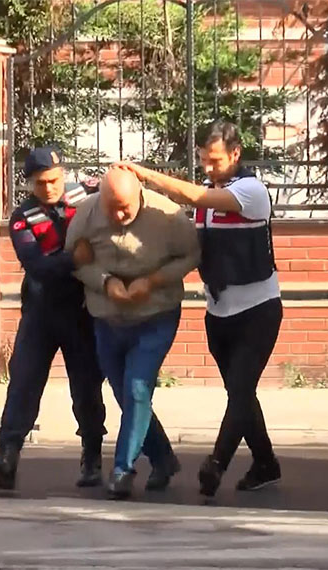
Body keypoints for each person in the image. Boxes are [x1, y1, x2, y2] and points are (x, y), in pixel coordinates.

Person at [117, 119, 282, 497]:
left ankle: (216, 465)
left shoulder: (251, 191)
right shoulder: (209, 197)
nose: (208, 168)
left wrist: (144, 174)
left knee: (240, 391)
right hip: (219, 314)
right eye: (203, 160)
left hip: (258, 310)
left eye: (215, 161)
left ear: (235, 154)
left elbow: (194, 197)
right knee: (241, 393)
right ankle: (265, 463)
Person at [0, 147, 106, 490]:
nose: (49, 188)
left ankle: (92, 458)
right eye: (40, 183)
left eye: (54, 180)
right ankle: (6, 459)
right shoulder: (23, 217)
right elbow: (38, 266)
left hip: (82, 311)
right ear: (30, 183)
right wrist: (74, 259)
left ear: (63, 174)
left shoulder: (87, 195)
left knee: (86, 388)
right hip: (41, 312)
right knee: (23, 382)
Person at [65, 168, 200, 499]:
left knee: (138, 388)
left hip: (155, 314)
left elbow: (192, 254)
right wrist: (105, 282)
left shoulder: (167, 215)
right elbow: (75, 260)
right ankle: (163, 459)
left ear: (139, 196)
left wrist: (153, 281)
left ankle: (123, 469)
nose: (118, 216)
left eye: (125, 208)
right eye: (111, 208)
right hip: (107, 317)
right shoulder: (86, 213)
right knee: (125, 395)